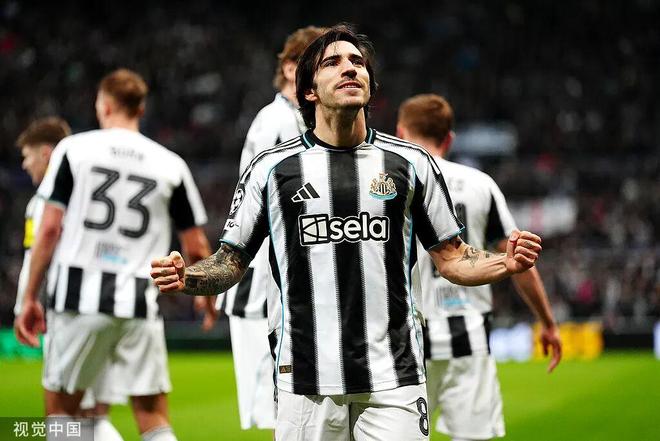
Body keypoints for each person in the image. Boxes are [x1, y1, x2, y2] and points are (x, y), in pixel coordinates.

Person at [150, 25, 542, 441]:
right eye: (333, 63)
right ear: (308, 90)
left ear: (370, 86)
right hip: (305, 379)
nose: (350, 68)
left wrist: (505, 262)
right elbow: (231, 261)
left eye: (358, 62)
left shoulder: (411, 163)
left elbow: (453, 256)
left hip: (395, 376)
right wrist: (187, 277)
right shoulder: (270, 169)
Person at [14, 68, 211, 441]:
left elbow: (50, 228)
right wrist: (206, 294)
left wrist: (28, 297)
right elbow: (197, 245)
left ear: (104, 106)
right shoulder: (171, 164)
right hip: (140, 303)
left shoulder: (75, 149)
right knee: (153, 416)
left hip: (78, 301)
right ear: (140, 109)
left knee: (63, 414)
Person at [397, 94, 562, 441]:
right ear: (449, 138)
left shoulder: (392, 183)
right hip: (469, 340)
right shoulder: (480, 184)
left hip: (408, 342)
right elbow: (518, 259)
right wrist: (548, 323)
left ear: (401, 133)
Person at [212, 25, 326, 431]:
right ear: (292, 68)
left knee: (309, 408)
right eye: (320, 63)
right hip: (264, 281)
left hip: (296, 278)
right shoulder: (275, 121)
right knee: (276, 407)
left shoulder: (302, 121)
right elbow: (254, 202)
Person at [14, 117, 126, 441]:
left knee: (63, 417)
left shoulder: (45, 201)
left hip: (69, 309)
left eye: (28, 156)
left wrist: (25, 303)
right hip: (110, 304)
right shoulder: (91, 195)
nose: (24, 164)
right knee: (92, 416)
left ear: (47, 154)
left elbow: (37, 254)